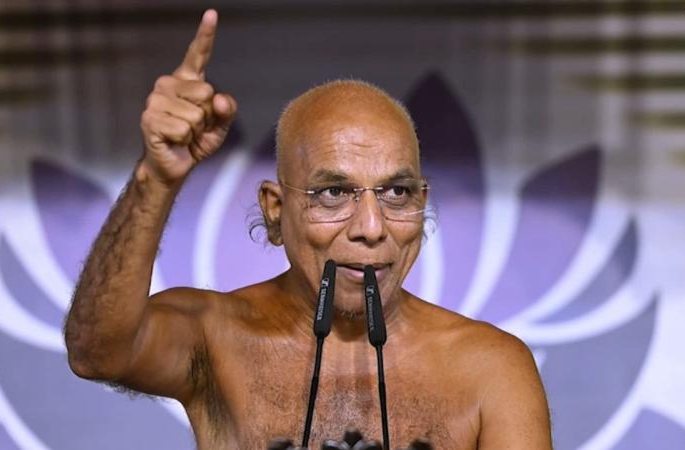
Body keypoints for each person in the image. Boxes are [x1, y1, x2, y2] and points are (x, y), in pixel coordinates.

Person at [64, 9, 552, 450]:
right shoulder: (214, 336)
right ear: (275, 210)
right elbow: (96, 352)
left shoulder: (491, 367)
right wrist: (156, 178)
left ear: (421, 205)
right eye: (334, 192)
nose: (371, 228)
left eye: (396, 192)